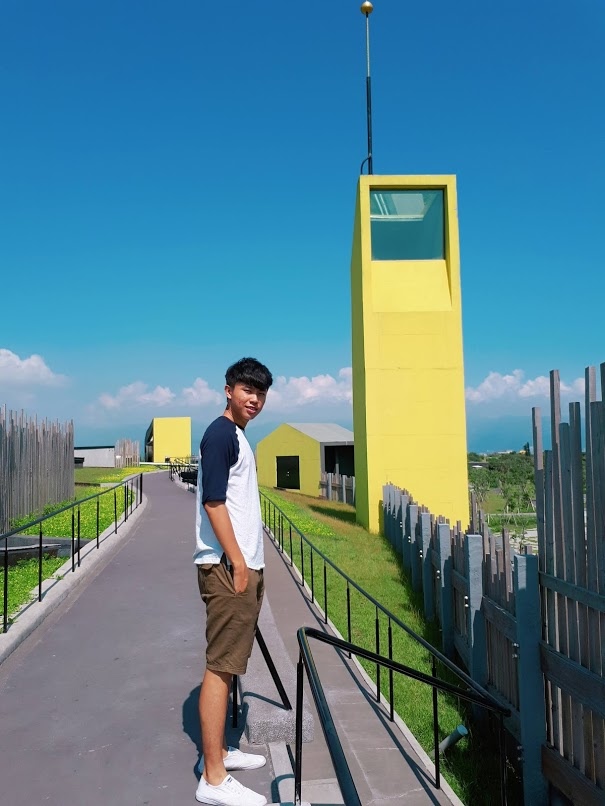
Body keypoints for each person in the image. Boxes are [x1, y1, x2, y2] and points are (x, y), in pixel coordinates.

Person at [194, 357, 273, 806]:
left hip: (239, 565)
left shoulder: (237, 436)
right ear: (229, 390)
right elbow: (213, 502)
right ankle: (213, 777)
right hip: (227, 568)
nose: (254, 399)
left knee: (229, 663)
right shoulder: (221, 434)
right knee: (220, 667)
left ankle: (221, 752)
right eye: (247, 390)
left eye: (261, 393)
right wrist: (239, 563)